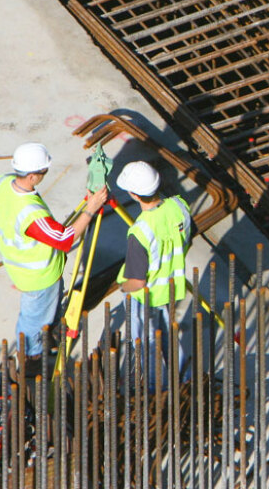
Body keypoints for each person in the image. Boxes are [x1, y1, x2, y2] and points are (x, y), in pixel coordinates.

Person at [0, 143, 108, 360]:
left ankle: (50, 331)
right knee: (33, 320)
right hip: (39, 278)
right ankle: (32, 356)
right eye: (44, 172)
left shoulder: (2, 182)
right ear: (33, 177)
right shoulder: (30, 212)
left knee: (45, 311)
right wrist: (91, 208)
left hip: (21, 264)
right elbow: (65, 239)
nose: (45, 175)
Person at [114, 161, 193, 384]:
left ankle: (148, 389)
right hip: (170, 286)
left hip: (144, 295)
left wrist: (123, 286)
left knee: (144, 344)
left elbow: (137, 282)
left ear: (134, 194)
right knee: (167, 334)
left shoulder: (141, 230)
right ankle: (183, 378)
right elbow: (186, 240)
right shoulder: (179, 206)